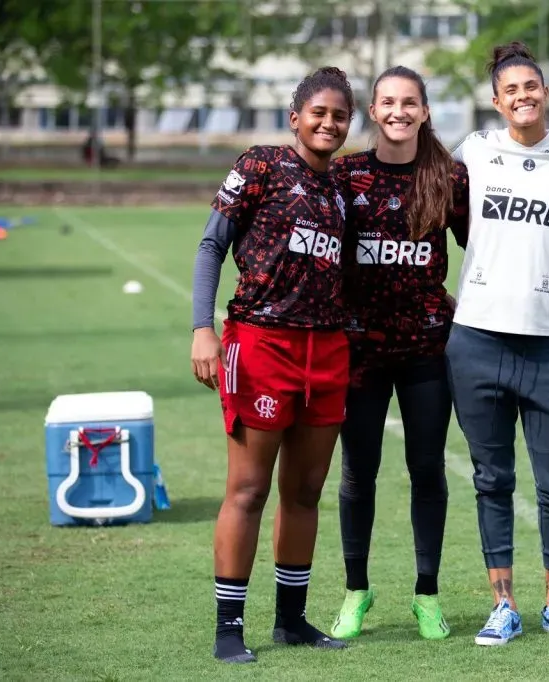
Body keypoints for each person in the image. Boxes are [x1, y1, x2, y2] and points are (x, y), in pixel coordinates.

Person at [190, 66, 355, 664]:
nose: (329, 123)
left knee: (306, 491)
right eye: (319, 113)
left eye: (340, 116)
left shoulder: (341, 191)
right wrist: (202, 329)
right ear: (295, 117)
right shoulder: (261, 164)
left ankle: (291, 621)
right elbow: (212, 244)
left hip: (326, 351)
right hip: (261, 345)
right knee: (249, 488)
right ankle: (229, 628)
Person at [443, 41, 549, 647]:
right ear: (496, 101)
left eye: (530, 87)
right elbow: (434, 202)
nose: (522, 96)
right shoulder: (475, 150)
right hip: (478, 341)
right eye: (510, 90)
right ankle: (503, 606)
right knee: (492, 479)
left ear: (546, 92)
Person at [327, 66, 469, 642]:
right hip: (359, 351)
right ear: (373, 110)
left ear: (424, 111)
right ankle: (355, 590)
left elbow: (485, 246)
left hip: (427, 350)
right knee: (358, 472)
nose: (398, 111)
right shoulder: (346, 175)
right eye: (388, 102)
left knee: (427, 470)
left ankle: (426, 595)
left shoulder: (447, 177)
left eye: (409, 102)